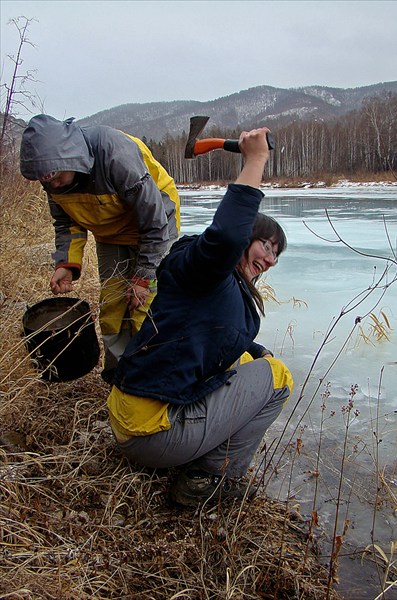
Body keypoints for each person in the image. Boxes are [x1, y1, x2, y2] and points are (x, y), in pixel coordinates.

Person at [107, 127, 293, 507]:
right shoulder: (208, 271)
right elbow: (224, 237)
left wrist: (253, 351)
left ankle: (193, 453)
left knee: (256, 361)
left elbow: (209, 332)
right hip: (151, 434)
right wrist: (255, 160)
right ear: (246, 237)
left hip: (130, 420)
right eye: (266, 246)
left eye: (277, 254)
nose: (270, 260)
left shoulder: (209, 283)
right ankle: (208, 480)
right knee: (279, 378)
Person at [20, 114, 180, 383]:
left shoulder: (114, 154)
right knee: (113, 306)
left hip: (156, 225)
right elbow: (66, 223)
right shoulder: (52, 177)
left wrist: (143, 276)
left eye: (54, 177)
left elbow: (154, 221)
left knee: (146, 306)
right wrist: (65, 265)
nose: (51, 185)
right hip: (111, 232)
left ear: (68, 158)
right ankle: (119, 377)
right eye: (44, 180)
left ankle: (152, 379)